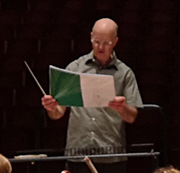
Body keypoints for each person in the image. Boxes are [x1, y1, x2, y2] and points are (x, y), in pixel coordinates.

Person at [41, 18, 143, 173]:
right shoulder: (75, 68)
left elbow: (132, 117)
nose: (100, 47)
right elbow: (58, 113)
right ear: (90, 37)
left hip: (111, 154)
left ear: (115, 42)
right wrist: (52, 107)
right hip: (78, 153)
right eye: (96, 41)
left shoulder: (125, 73)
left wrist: (122, 108)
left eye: (106, 43)